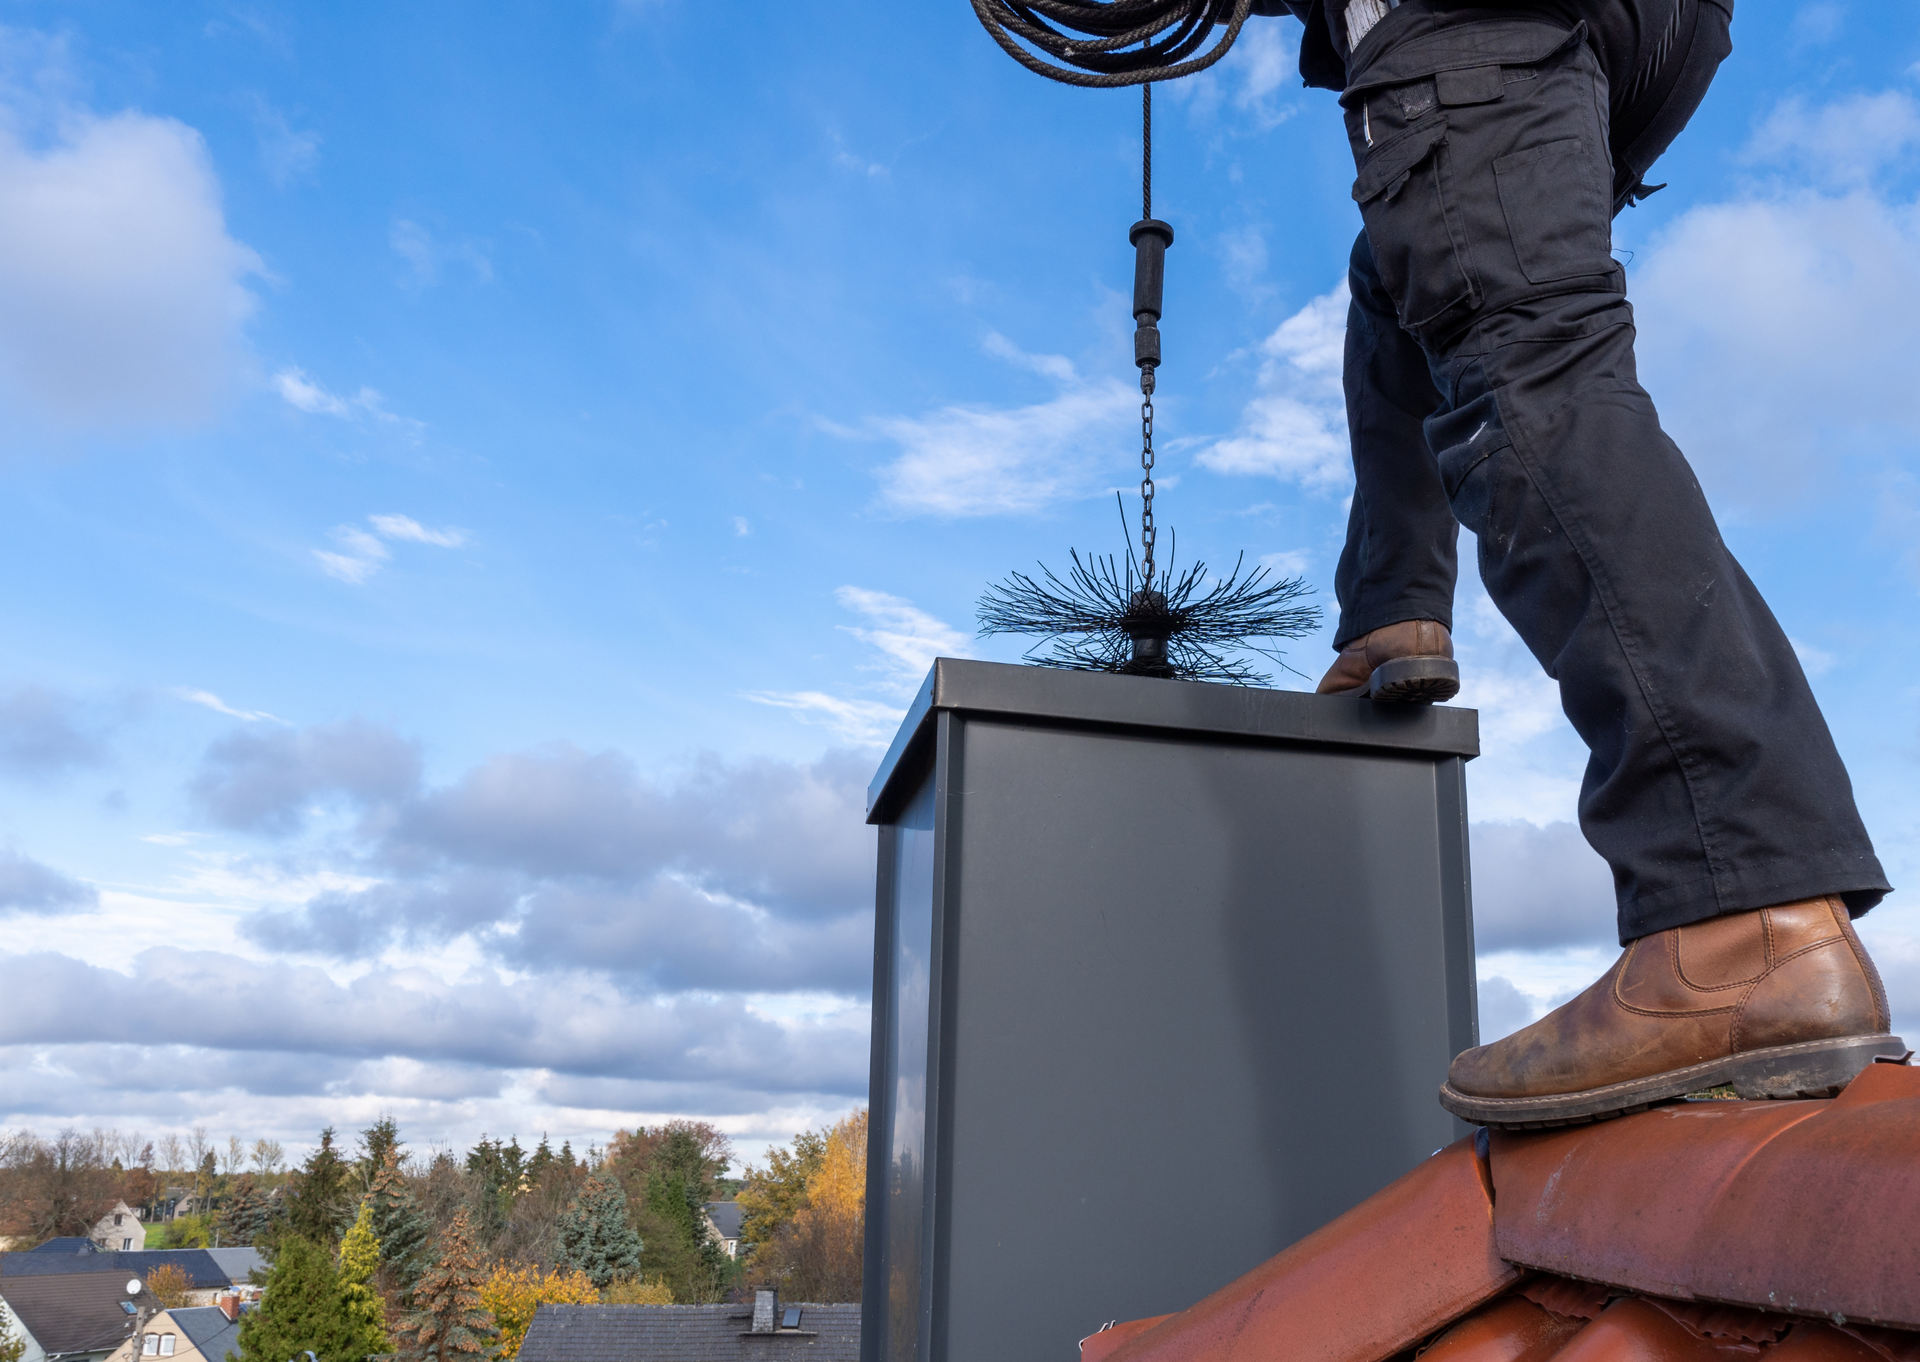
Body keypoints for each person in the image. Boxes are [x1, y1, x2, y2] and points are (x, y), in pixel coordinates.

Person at [1254, 0, 1902, 1126]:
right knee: (1405, 274)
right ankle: (1394, 606)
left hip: (1468, 18)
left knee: (1530, 379)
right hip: (1654, 31)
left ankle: (1743, 923)